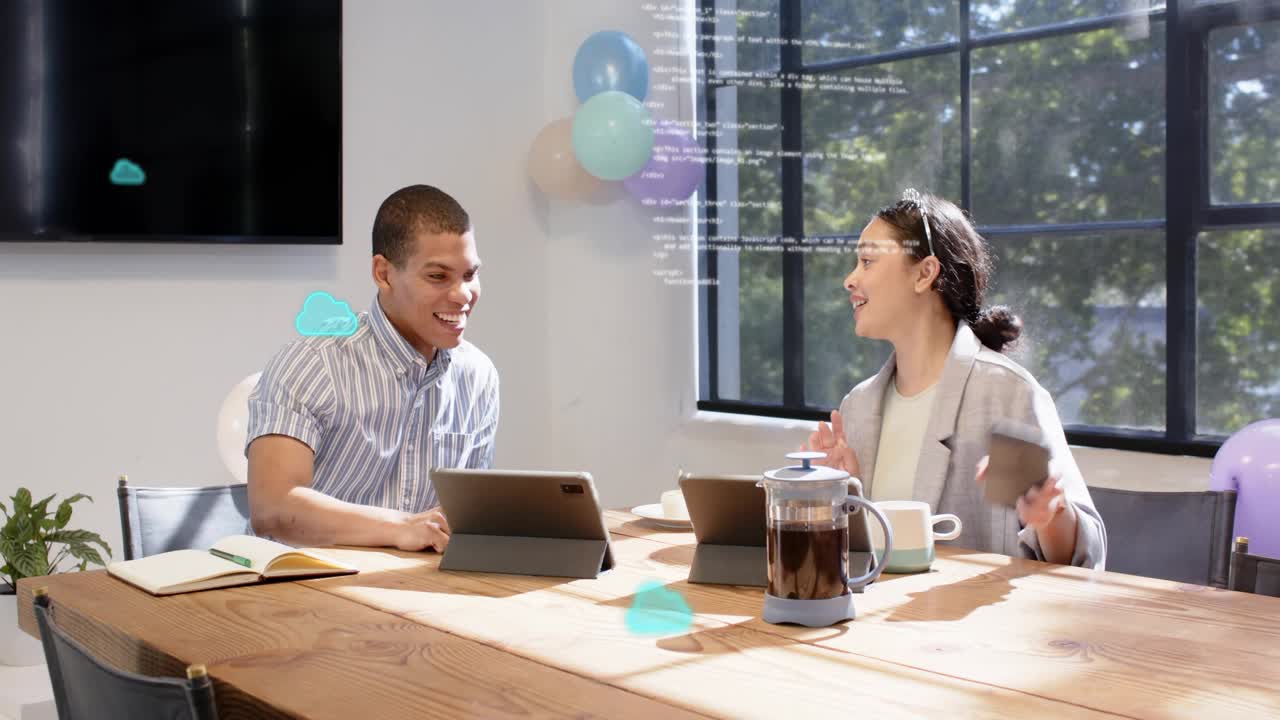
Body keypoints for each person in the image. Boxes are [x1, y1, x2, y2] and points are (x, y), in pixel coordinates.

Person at [805, 190, 1106, 568]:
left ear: (925, 273)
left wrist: (1051, 517)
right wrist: (842, 497)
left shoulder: (1006, 393)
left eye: (867, 261)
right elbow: (861, 562)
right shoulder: (857, 407)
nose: (850, 280)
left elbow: (1087, 558)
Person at [244, 184, 498, 553]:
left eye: (470, 275)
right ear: (383, 273)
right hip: (298, 590)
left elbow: (464, 518)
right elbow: (274, 507)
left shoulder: (479, 376)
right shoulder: (311, 364)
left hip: (415, 591)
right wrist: (401, 528)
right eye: (438, 276)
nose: (462, 294)